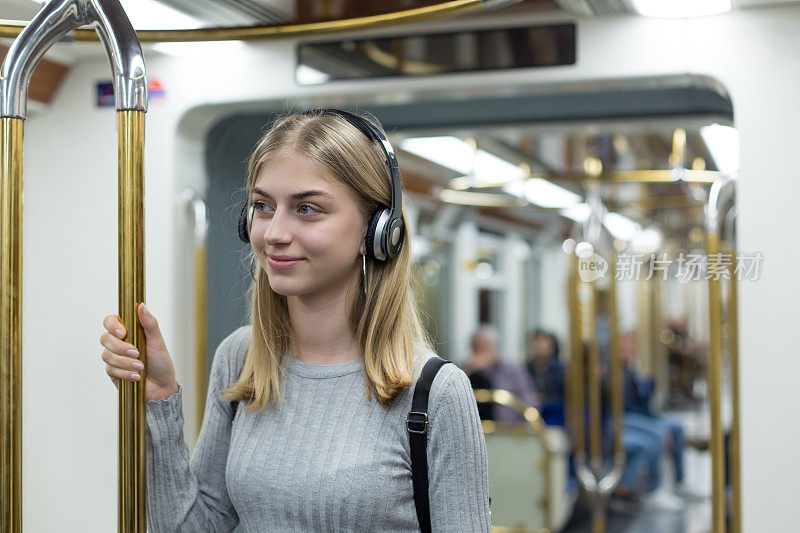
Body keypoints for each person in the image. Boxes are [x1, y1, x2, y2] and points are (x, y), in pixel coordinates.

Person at [99, 108, 490, 532]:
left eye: (307, 209)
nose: (274, 233)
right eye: (263, 207)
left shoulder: (435, 393)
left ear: (376, 230)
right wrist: (159, 399)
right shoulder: (241, 359)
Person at [462, 323, 540, 423]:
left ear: (496, 348)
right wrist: (470, 369)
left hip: (509, 430)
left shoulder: (513, 369)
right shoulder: (464, 369)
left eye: (486, 347)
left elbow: (530, 400)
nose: (482, 353)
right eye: (477, 348)